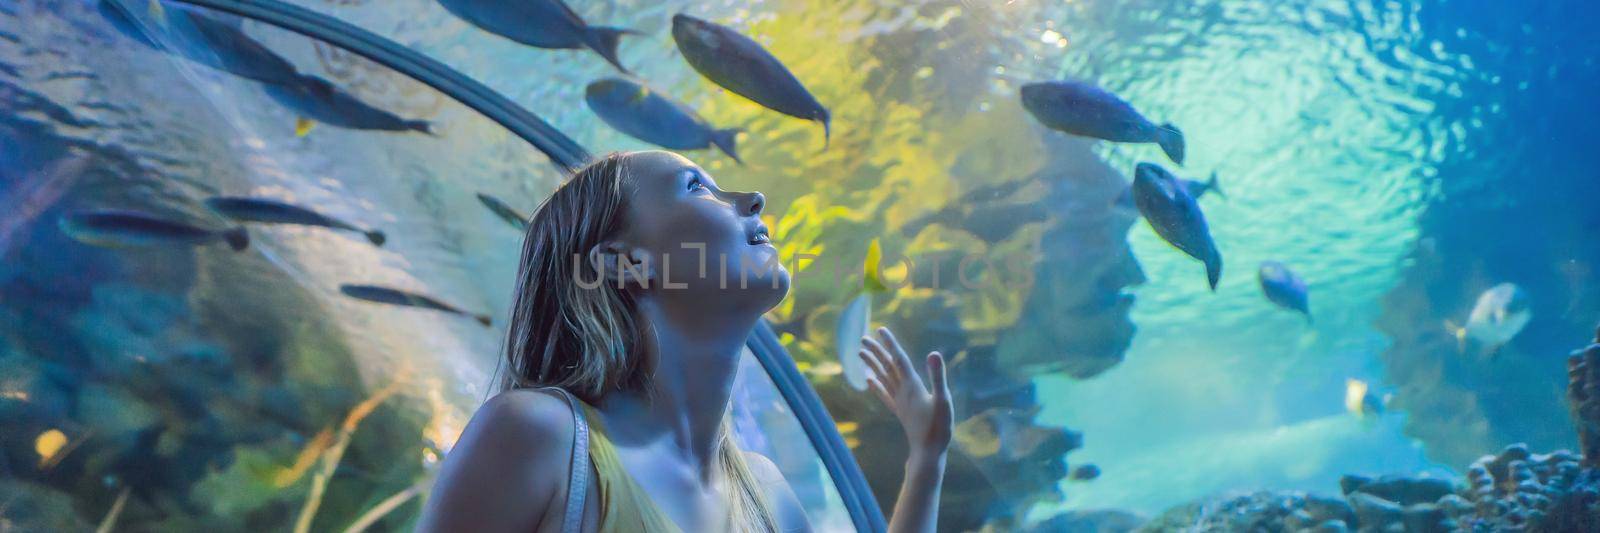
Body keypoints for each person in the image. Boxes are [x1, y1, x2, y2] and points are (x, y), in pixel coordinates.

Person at [417, 151, 953, 532]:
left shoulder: (765, 495)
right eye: (697, 187)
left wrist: (926, 460)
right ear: (627, 263)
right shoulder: (539, 437)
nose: (752, 199)